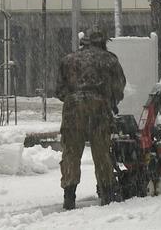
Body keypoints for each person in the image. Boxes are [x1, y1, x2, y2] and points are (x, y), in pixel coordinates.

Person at [56, 26, 126, 210]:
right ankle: (107, 193)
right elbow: (119, 87)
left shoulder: (68, 59)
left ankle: (69, 196)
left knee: (71, 151)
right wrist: (110, 101)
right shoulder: (109, 60)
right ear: (102, 42)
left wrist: (75, 98)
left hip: (73, 107)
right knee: (101, 151)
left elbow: (59, 89)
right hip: (99, 107)